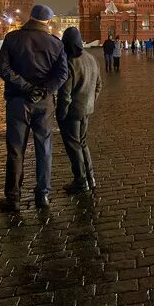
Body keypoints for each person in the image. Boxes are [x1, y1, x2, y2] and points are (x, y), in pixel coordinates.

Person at [0, 4, 68, 212]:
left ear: (31, 18)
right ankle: (42, 195)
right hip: (43, 103)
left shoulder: (12, 38)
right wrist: (44, 90)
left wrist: (26, 87)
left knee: (15, 149)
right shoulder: (55, 43)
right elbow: (62, 74)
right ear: (47, 22)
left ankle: (13, 198)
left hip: (18, 100)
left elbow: (3, 69)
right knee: (44, 148)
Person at [57, 27, 102, 194]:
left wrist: (60, 113)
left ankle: (80, 180)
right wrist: (90, 102)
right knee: (82, 143)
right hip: (86, 110)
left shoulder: (69, 61)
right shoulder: (91, 58)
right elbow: (99, 85)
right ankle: (90, 177)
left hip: (73, 112)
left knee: (74, 146)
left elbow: (65, 94)